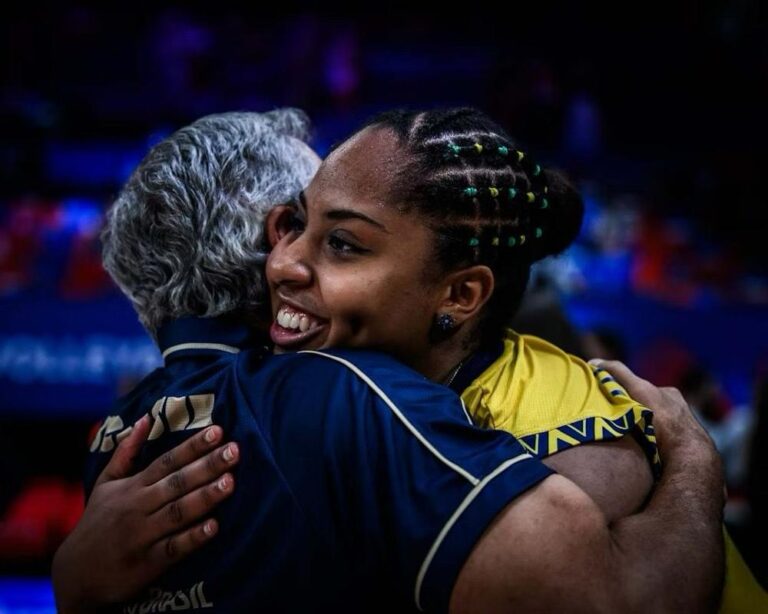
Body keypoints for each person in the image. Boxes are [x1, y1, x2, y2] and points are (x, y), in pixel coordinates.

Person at [53, 109, 725, 612]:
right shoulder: (343, 391)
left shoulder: (124, 435)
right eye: (293, 223)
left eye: (338, 240)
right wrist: (698, 461)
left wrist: (73, 583)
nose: (289, 259)